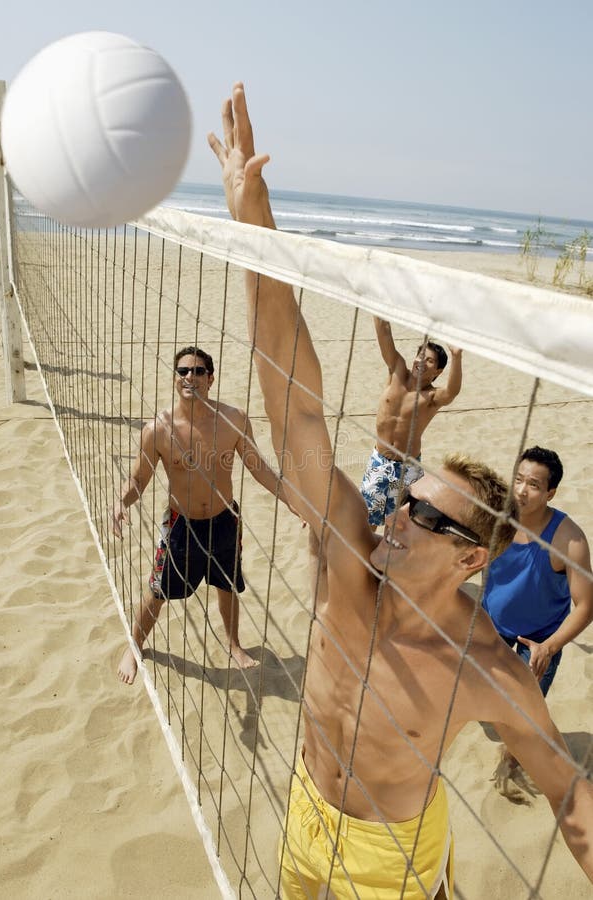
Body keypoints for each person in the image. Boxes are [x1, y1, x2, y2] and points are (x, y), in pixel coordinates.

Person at [208, 84, 593, 896]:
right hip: (306, 808)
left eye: (420, 512)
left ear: (465, 558)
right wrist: (256, 225)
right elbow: (294, 402)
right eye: (404, 495)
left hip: (390, 857)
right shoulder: (351, 555)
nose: (395, 514)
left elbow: (567, 792)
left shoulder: (484, 667)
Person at [114, 345, 296, 684]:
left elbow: (259, 469)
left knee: (227, 585)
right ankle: (134, 646)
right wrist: (121, 502)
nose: (189, 377)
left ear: (210, 379)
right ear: (175, 379)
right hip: (181, 525)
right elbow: (139, 479)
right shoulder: (158, 429)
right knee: (159, 591)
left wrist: (292, 500)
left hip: (225, 519)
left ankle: (233, 644)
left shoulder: (233, 420)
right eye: (183, 371)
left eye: (198, 371)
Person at [483, 446, 593, 767]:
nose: (521, 491)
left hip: (539, 639)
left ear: (550, 493)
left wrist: (549, 647)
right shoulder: (496, 516)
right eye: (518, 479)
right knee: (485, 696)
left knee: (526, 715)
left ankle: (515, 755)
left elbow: (586, 605)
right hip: (492, 627)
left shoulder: (569, 539)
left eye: (533, 484)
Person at [360, 318, 463, 528]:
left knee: (398, 525)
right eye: (420, 356)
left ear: (438, 371)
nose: (421, 362)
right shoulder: (396, 370)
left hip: (408, 469)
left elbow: (452, 391)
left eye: (430, 361)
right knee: (367, 520)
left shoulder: (431, 397)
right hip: (380, 461)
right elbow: (384, 331)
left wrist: (456, 355)